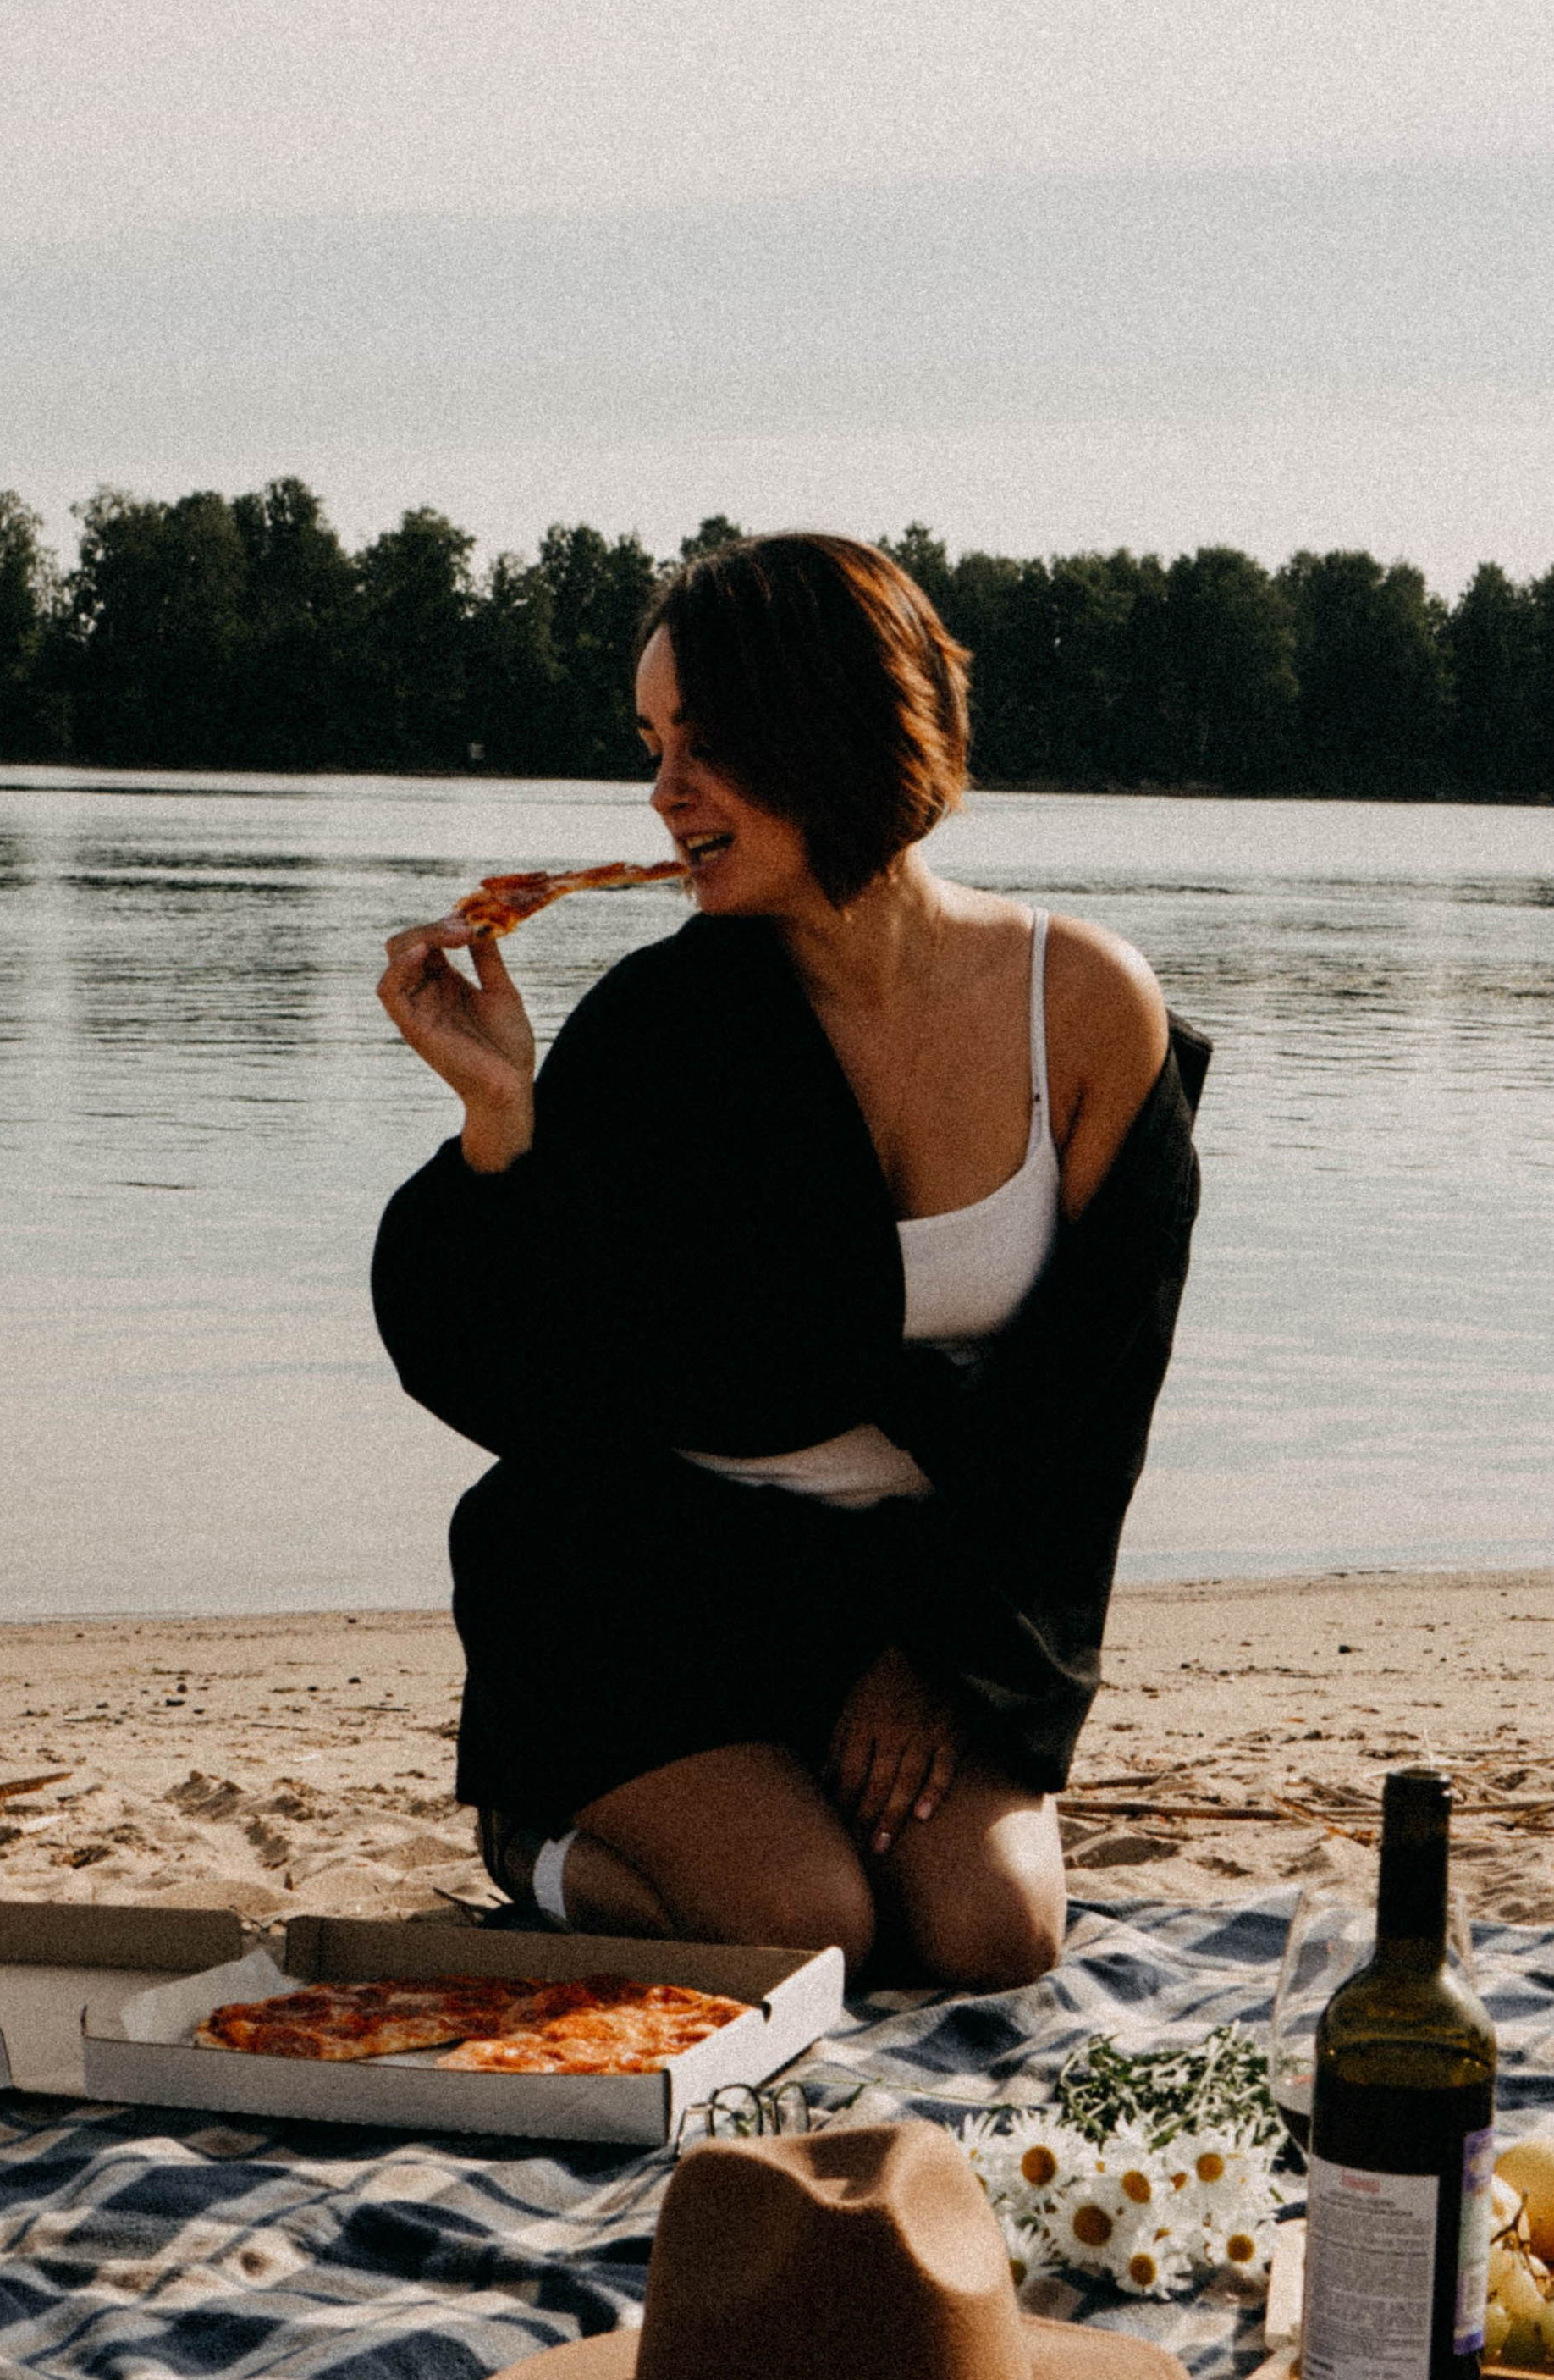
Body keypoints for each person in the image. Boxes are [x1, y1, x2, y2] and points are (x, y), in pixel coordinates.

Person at [372, 532, 1206, 1990]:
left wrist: (942, 1660)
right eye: (652, 745)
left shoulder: (1080, 1004)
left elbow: (1089, 1411)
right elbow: (520, 1376)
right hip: (650, 1572)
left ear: (834, 728)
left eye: (704, 742)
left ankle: (791, 1800)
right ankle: (537, 1840)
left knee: (991, 1940)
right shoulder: (661, 1025)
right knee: (810, 1930)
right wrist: (502, 1120)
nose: (663, 792)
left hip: (925, 1590)